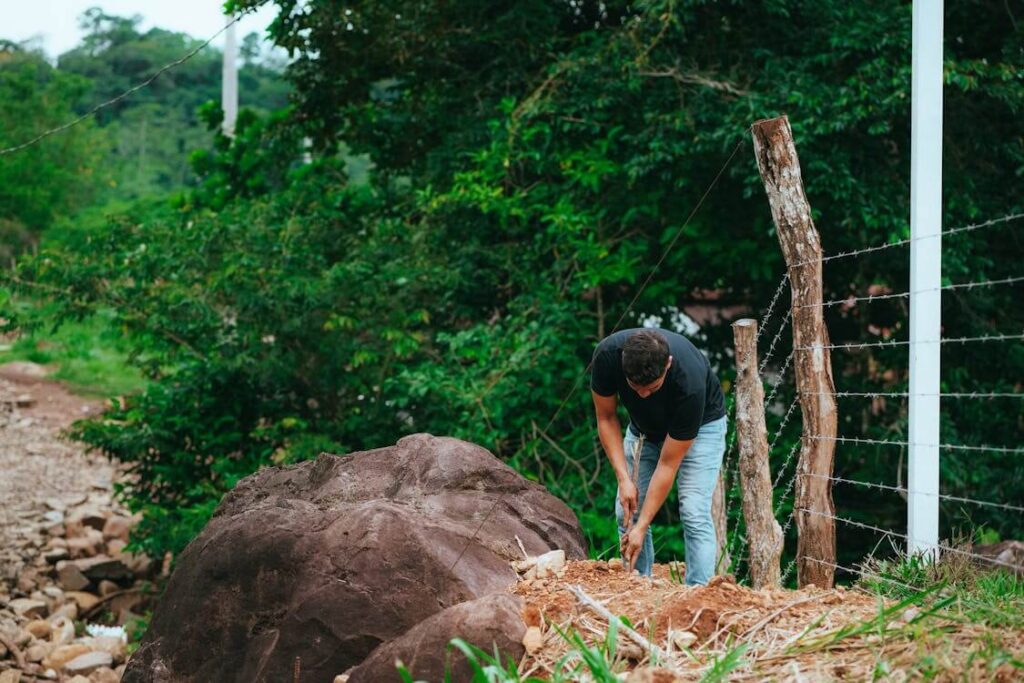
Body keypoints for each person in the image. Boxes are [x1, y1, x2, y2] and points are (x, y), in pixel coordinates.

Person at [590, 327, 727, 585]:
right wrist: (623, 480)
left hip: (702, 427)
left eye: (651, 388)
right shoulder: (607, 356)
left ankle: (697, 592)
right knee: (625, 510)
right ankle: (639, 584)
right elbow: (606, 417)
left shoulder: (690, 382)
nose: (642, 395)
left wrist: (642, 526)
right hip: (644, 430)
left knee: (693, 510)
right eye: (635, 387)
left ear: (668, 365)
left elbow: (667, 464)